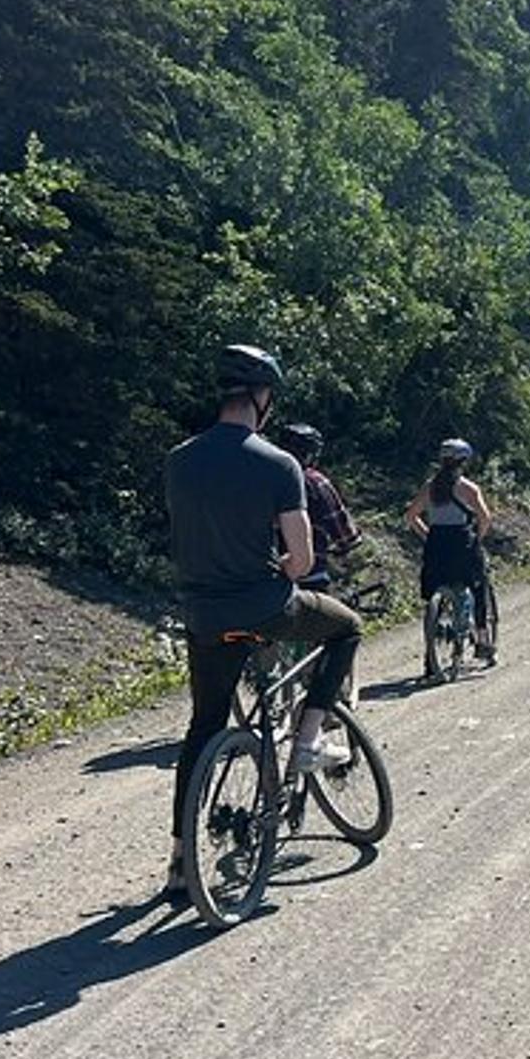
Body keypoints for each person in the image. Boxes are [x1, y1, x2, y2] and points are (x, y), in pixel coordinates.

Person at [163, 345, 362, 897]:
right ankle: (308, 736)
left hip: (202, 612)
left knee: (202, 728)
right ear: (262, 397)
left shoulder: (179, 459)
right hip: (265, 606)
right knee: (346, 628)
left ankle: (181, 862)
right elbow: (300, 561)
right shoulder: (279, 463)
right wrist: (279, 565)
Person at [405, 438, 496, 679]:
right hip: (462, 544)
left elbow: (412, 516)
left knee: (435, 591)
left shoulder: (429, 487)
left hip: (436, 545)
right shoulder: (469, 488)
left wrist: (428, 535)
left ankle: (430, 658)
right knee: (479, 585)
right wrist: (477, 537)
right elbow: (485, 519)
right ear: (463, 461)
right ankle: (483, 639)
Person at [271, 423, 362, 591]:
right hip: (309, 578)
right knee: (348, 618)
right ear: (311, 454)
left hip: (265, 575)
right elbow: (345, 537)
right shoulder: (316, 482)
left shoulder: (265, 479)